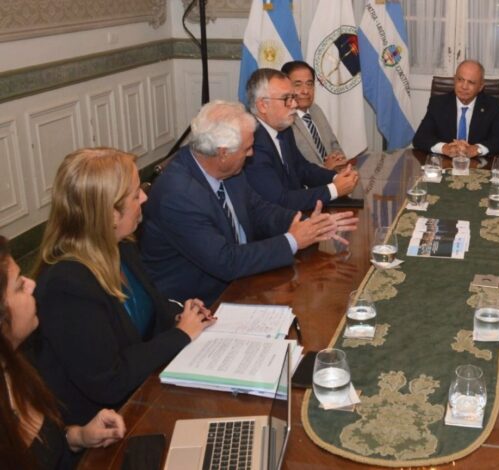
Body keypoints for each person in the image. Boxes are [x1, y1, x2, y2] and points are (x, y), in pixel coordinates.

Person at [31, 148, 214, 428]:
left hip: (143, 392)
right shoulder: (67, 285)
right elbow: (109, 381)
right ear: (110, 214)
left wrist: (180, 315)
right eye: (135, 194)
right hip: (107, 427)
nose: (145, 197)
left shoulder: (122, 247)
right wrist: (180, 334)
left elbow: (149, 311)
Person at [141, 100, 358, 305]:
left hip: (245, 281)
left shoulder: (226, 169)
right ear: (223, 153)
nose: (251, 154)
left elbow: (258, 209)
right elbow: (226, 261)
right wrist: (292, 240)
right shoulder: (178, 195)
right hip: (204, 303)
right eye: (246, 149)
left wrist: (310, 225)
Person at [0, 236, 126, 469]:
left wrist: (78, 436)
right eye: (19, 286)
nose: (31, 285)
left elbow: (43, 454)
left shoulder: (22, 359)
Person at [244, 68, 359, 211]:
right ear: (263, 105)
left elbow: (302, 168)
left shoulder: (283, 129)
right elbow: (280, 200)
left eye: (293, 97)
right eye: (286, 99)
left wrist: (336, 177)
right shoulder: (251, 143)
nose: (294, 104)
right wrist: (334, 189)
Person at [412, 59, 499, 158]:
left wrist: (477, 149)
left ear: (480, 87)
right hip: (445, 163)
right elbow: (420, 138)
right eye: (460, 80)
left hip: (479, 164)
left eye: (471, 82)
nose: (464, 86)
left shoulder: (493, 106)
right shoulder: (438, 104)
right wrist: (444, 148)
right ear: (454, 80)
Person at [281, 60, 346, 170]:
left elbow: (333, 144)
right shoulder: (284, 120)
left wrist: (339, 160)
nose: (306, 91)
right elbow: (292, 167)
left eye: (309, 84)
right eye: (298, 85)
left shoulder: (316, 109)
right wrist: (325, 168)